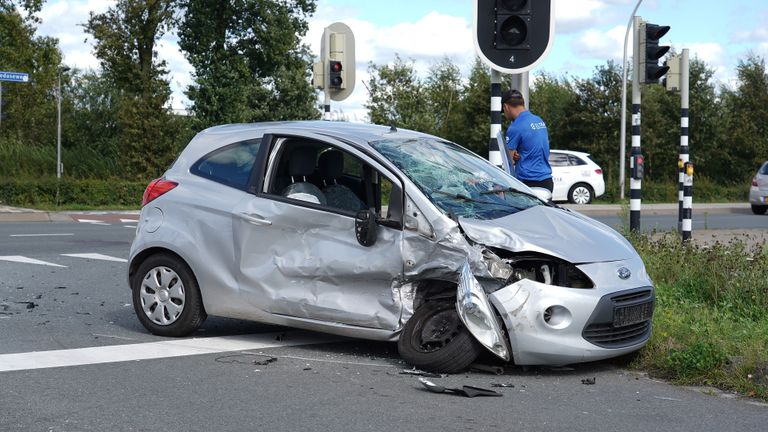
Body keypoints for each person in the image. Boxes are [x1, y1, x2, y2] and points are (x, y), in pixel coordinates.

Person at [501, 89, 554, 192]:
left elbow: (509, 162)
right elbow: (536, 147)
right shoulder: (538, 120)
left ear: (506, 107)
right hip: (546, 181)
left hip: (529, 183)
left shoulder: (515, 126)